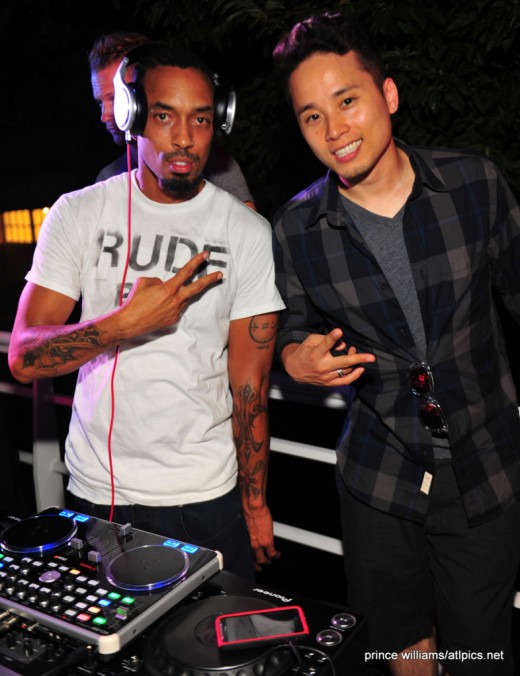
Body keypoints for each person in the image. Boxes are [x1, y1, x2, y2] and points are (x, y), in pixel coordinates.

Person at [271, 12, 520, 676]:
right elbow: (292, 329)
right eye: (312, 116)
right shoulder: (297, 228)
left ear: (388, 94)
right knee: (397, 648)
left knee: (481, 654)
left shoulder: (474, 185)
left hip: (486, 469)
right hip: (378, 478)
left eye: (347, 101)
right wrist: (295, 359)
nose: (334, 129)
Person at [8, 43, 284, 581]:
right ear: (132, 116)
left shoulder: (247, 232)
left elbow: (249, 386)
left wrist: (255, 506)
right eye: (163, 116)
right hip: (97, 495)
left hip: (206, 497)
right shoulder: (77, 213)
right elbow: (23, 357)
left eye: (200, 118)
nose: (184, 138)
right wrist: (122, 325)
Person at [89, 32, 257, 210]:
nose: (105, 116)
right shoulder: (107, 177)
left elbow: (245, 223)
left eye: (116, 99)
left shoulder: (218, 168)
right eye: (100, 103)